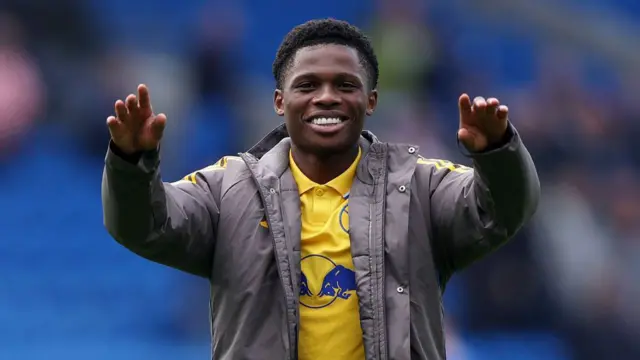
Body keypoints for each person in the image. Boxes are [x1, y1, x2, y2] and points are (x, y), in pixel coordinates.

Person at [102, 18, 540, 360]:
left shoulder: (419, 186)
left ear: (371, 100)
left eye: (345, 85)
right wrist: (131, 164)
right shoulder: (227, 189)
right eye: (307, 85)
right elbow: (146, 225)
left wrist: (498, 154)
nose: (326, 97)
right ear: (279, 102)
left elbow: (498, 212)